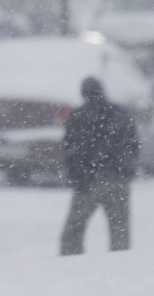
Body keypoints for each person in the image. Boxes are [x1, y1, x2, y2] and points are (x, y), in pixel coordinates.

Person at [60, 76, 140, 255]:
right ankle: (121, 262)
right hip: (117, 179)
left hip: (88, 182)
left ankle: (70, 262)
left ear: (83, 93)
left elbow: (72, 150)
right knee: (119, 229)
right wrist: (126, 171)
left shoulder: (78, 116)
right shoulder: (120, 113)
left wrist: (77, 176)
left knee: (74, 229)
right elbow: (133, 144)